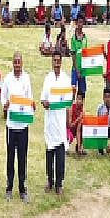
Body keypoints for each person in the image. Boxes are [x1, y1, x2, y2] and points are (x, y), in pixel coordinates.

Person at [0, 52, 33, 202]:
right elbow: (3, 97)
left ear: (22, 63)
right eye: (15, 62)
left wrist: (31, 106)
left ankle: (22, 188)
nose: (17, 64)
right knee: (10, 157)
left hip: (23, 125)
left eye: (19, 62)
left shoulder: (26, 78)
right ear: (12, 63)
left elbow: (29, 98)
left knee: (22, 157)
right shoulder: (8, 79)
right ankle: (9, 187)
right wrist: (5, 105)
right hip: (11, 126)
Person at [40, 51, 71, 195]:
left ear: (61, 62)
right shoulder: (48, 79)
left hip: (60, 121)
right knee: (49, 153)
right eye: (55, 60)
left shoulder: (66, 79)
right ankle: (50, 180)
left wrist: (68, 120)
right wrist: (45, 103)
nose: (57, 63)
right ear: (52, 62)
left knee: (60, 154)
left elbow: (68, 101)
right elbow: (43, 99)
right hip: (50, 121)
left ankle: (59, 183)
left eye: (59, 60)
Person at [71, 13, 88, 99]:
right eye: (79, 22)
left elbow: (86, 53)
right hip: (75, 69)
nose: (80, 24)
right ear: (76, 23)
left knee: (82, 92)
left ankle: (81, 106)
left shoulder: (85, 37)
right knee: (73, 89)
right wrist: (77, 70)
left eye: (82, 22)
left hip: (83, 69)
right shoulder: (73, 38)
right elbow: (73, 55)